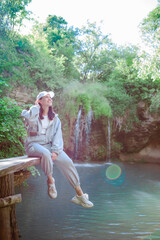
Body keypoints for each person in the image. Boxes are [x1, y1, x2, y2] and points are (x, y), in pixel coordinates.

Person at [21, 91, 94, 208]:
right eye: (46, 97)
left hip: (49, 145)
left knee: (67, 162)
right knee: (45, 153)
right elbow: (26, 118)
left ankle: (80, 195)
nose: (50, 99)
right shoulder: (33, 113)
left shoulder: (55, 119)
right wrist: (35, 107)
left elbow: (57, 136)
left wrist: (55, 151)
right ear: (39, 101)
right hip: (33, 145)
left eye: (50, 97)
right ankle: (50, 181)